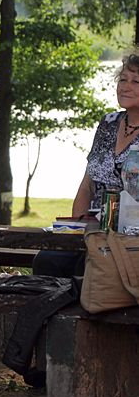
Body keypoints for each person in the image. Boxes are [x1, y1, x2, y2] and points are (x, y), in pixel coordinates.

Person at [34, 52, 139, 277]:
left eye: (135, 81)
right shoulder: (108, 123)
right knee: (48, 261)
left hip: (130, 237)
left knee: (92, 271)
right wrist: (76, 231)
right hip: (92, 229)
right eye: (122, 79)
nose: (125, 86)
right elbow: (86, 185)